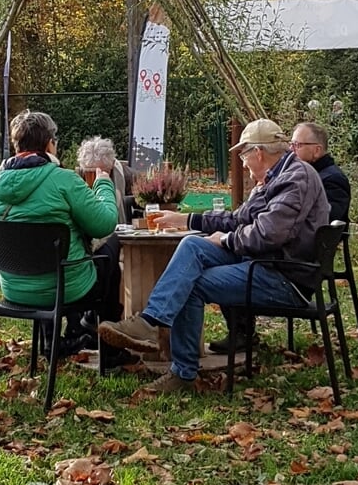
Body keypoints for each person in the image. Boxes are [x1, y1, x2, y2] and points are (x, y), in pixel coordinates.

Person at [97, 119, 331, 394]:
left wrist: (227, 240)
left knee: (191, 283)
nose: (242, 164)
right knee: (192, 246)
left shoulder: (296, 178)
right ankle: (151, 322)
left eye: (243, 155)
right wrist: (188, 219)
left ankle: (182, 373)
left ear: (258, 152)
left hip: (284, 277)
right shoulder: (275, 178)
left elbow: (267, 234)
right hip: (264, 264)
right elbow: (237, 219)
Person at [0, 111, 134, 368]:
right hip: (66, 288)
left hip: (14, 287)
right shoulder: (63, 180)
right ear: (49, 143)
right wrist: (103, 184)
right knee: (111, 247)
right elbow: (105, 224)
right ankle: (108, 349)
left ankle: (55, 339)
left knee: (43, 251)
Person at [209, 121, 352, 355]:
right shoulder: (286, 176)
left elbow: (318, 224)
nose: (291, 150)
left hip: (295, 265)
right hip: (289, 260)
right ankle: (242, 332)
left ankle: (226, 340)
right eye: (291, 143)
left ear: (317, 150)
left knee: (219, 268)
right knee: (233, 255)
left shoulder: (324, 178)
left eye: (297, 144)